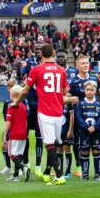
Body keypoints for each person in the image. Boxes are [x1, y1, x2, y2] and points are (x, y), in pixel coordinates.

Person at [15, 43, 70, 185]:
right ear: (53, 52)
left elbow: (25, 90)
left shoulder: (37, 69)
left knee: (49, 143)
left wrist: (17, 102)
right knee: (56, 143)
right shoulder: (61, 70)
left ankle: (59, 175)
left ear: (41, 54)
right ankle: (48, 171)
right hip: (59, 112)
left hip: (45, 112)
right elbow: (64, 93)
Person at [68, 55, 100, 178]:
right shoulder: (74, 81)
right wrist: (70, 99)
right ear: (77, 66)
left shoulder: (94, 78)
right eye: (82, 63)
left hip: (96, 117)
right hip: (81, 119)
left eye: (87, 63)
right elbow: (66, 97)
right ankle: (81, 168)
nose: (85, 65)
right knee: (81, 144)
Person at [17, 43, 43, 177]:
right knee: (25, 135)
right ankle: (26, 162)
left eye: (41, 49)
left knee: (39, 137)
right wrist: (18, 69)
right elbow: (19, 76)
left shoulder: (48, 66)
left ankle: (38, 166)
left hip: (41, 105)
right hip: (28, 104)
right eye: (37, 49)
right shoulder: (29, 62)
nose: (39, 52)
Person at [75, 80, 100, 181]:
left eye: (92, 90)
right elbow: (79, 117)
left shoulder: (99, 104)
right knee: (85, 152)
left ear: (95, 91)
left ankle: (97, 174)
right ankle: (85, 173)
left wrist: (95, 127)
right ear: (84, 90)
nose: (89, 91)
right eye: (87, 89)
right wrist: (86, 127)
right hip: (84, 132)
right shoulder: (80, 103)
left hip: (96, 132)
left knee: (96, 151)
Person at [0, 78, 30, 176]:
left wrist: (4, 135)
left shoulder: (11, 106)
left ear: (12, 94)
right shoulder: (23, 106)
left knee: (11, 154)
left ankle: (23, 169)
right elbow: (25, 121)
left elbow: (8, 122)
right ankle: (16, 176)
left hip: (14, 134)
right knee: (19, 155)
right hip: (23, 134)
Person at [58, 94, 74, 179]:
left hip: (66, 130)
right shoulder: (55, 100)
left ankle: (68, 172)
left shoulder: (68, 102)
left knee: (67, 149)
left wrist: (70, 130)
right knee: (59, 149)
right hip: (57, 130)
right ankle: (60, 171)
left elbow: (72, 116)